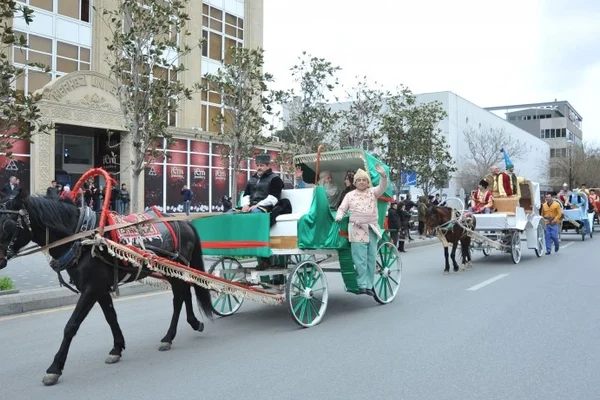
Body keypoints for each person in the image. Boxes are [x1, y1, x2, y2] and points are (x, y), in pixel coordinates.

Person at [335, 164, 388, 296]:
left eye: (364, 180)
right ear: (355, 182)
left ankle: (369, 286)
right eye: (359, 180)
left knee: (371, 258)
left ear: (367, 182)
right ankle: (362, 284)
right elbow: (342, 209)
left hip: (372, 228)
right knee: (359, 259)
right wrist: (339, 216)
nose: (361, 182)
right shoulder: (350, 195)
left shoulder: (373, 192)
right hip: (357, 229)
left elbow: (383, 187)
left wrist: (383, 176)